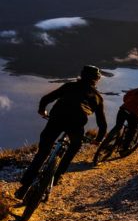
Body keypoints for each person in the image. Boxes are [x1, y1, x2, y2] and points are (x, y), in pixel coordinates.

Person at [15, 65, 107, 200]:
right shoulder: (98, 98)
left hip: (57, 117)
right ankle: (56, 177)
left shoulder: (69, 86)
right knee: (74, 146)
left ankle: (25, 184)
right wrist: (98, 139)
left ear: (81, 75)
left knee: (43, 152)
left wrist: (42, 110)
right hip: (76, 122)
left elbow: (46, 98)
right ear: (97, 80)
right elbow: (102, 124)